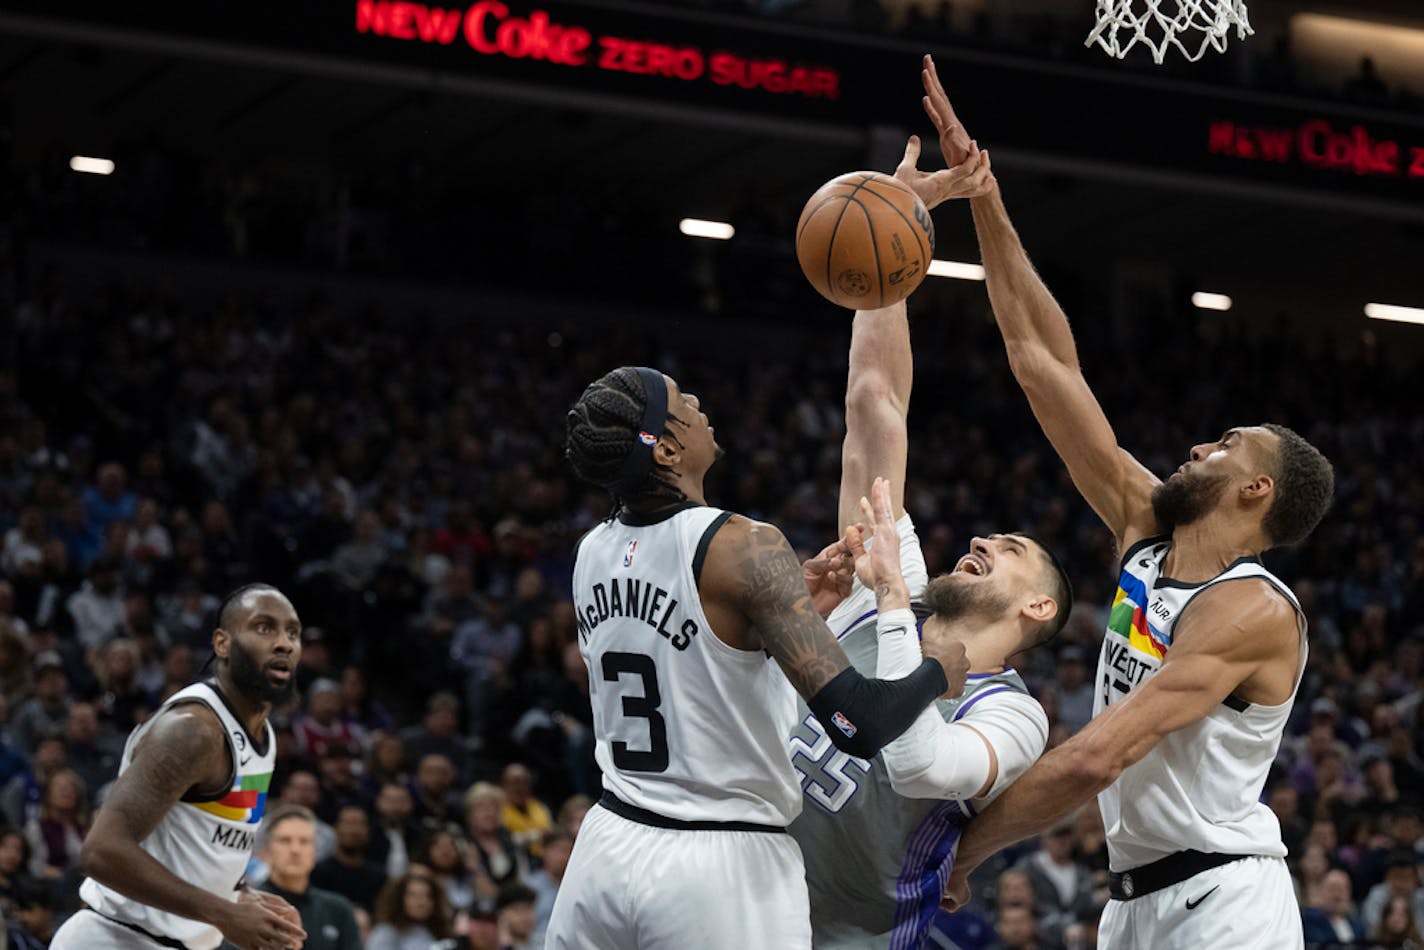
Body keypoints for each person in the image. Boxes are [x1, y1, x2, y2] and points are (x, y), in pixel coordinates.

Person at [921, 54, 1336, 949]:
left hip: (1225, 902)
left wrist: (966, 850)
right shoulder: (1143, 527)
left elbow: (1104, 751)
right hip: (1132, 902)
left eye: (1226, 446)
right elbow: (1042, 360)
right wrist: (982, 194)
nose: (1198, 446)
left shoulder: (1251, 611)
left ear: (1257, 489)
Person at [550, 192, 977, 949]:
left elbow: (695, 667)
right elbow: (857, 724)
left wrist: (776, 612)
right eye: (682, 405)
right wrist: (936, 670)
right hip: (719, 867)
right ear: (667, 450)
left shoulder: (591, 552)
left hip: (608, 848)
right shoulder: (743, 546)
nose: (700, 404)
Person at [787, 192, 1067, 944]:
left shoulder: (1012, 717)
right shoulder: (888, 586)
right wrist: (897, 230)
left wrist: (885, 601)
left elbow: (922, 767)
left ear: (1037, 608)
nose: (985, 540)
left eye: (1013, 549)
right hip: (744, 906)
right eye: (990, 536)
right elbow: (874, 404)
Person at [51, 582, 308, 950]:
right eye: (264, 628)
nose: (284, 642)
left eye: (293, 632)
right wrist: (223, 913)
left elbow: (195, 847)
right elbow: (101, 851)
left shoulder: (261, 734)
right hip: (114, 938)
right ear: (222, 643)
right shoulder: (194, 730)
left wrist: (239, 897)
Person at [258, 804, 362, 950]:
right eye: (285, 840)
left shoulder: (338, 909)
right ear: (266, 851)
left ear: (315, 853)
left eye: (304, 841)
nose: (295, 850)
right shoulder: (248, 907)